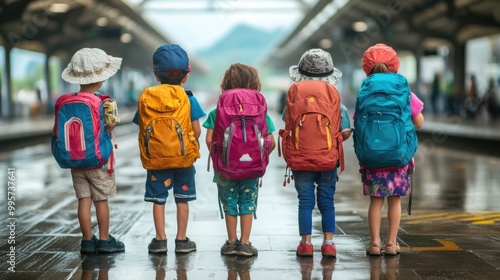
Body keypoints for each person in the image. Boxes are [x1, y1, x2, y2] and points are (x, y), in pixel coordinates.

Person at [132, 44, 206, 254]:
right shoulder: (188, 98)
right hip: (183, 159)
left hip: (156, 160)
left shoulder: (147, 97)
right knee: (182, 199)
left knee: (158, 199)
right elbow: (197, 130)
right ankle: (182, 241)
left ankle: (160, 240)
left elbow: (142, 125)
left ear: (156, 75)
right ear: (185, 76)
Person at [202, 63, 276, 257]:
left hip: (225, 168)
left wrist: (221, 156)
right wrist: (258, 156)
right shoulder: (261, 112)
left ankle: (231, 241)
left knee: (230, 202)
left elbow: (209, 140)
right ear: (254, 83)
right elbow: (272, 142)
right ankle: (245, 243)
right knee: (247, 202)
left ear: (226, 83)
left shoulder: (216, 112)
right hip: (252, 168)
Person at [284, 49, 352, 257]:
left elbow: (288, 123)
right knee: (326, 201)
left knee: (305, 201)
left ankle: (305, 244)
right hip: (327, 158)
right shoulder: (334, 96)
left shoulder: (295, 91)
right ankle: (328, 243)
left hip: (300, 157)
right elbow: (346, 131)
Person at [359, 43, 424, 256]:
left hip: (371, 155)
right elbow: (419, 122)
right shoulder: (403, 88)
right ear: (394, 64)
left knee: (375, 202)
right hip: (398, 155)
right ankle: (391, 243)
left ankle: (375, 244)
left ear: (367, 67)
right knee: (394, 201)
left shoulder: (365, 87)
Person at [60, 48, 125, 254]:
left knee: (83, 200)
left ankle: (87, 241)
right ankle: (105, 240)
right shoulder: (106, 101)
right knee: (101, 200)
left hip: (77, 159)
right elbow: (111, 125)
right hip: (99, 160)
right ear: (102, 79)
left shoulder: (67, 101)